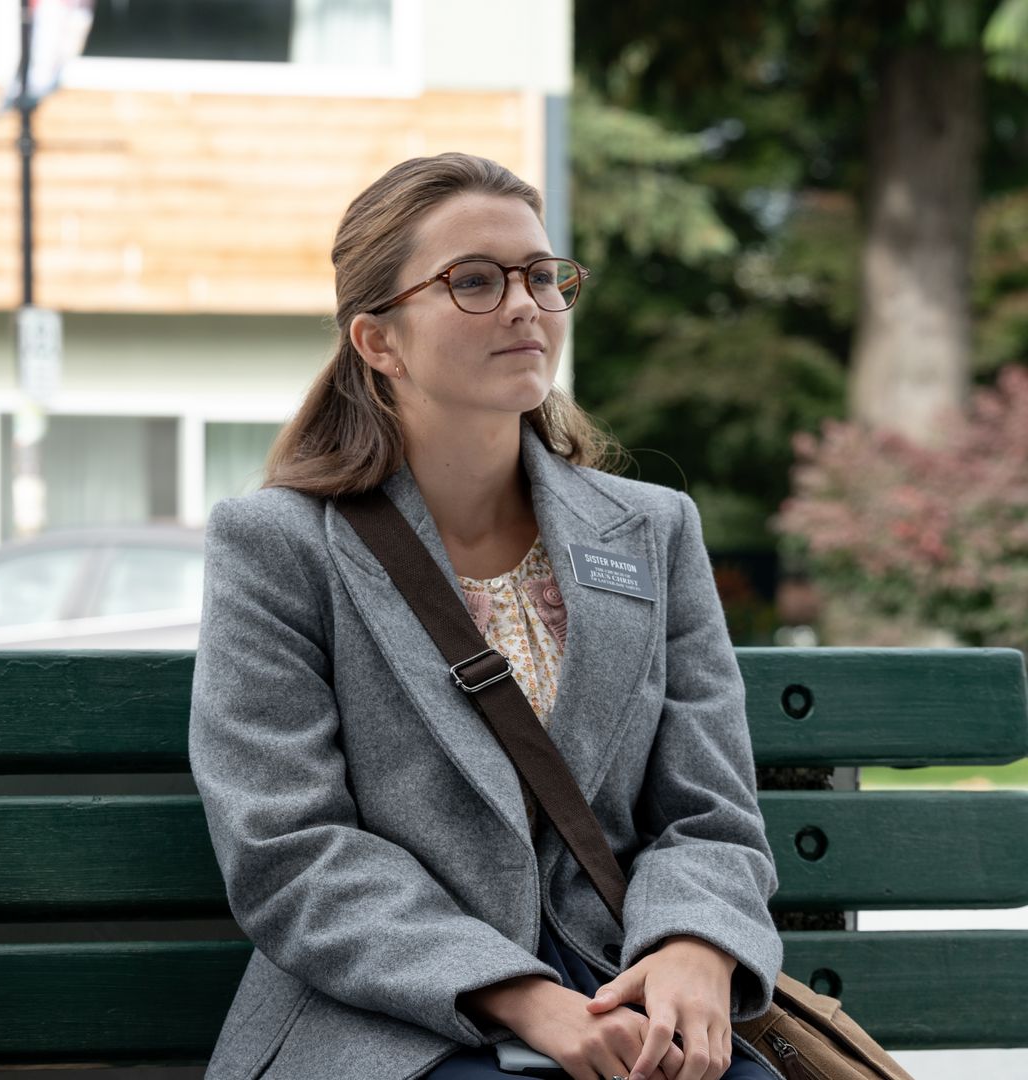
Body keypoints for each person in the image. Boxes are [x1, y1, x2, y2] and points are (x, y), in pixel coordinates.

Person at [188, 153, 782, 1080]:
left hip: (626, 991)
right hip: (391, 1019)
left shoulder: (651, 530)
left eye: (543, 277)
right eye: (473, 281)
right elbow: (287, 848)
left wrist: (696, 947)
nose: (524, 305)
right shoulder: (279, 545)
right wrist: (516, 993)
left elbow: (710, 812)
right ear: (377, 341)